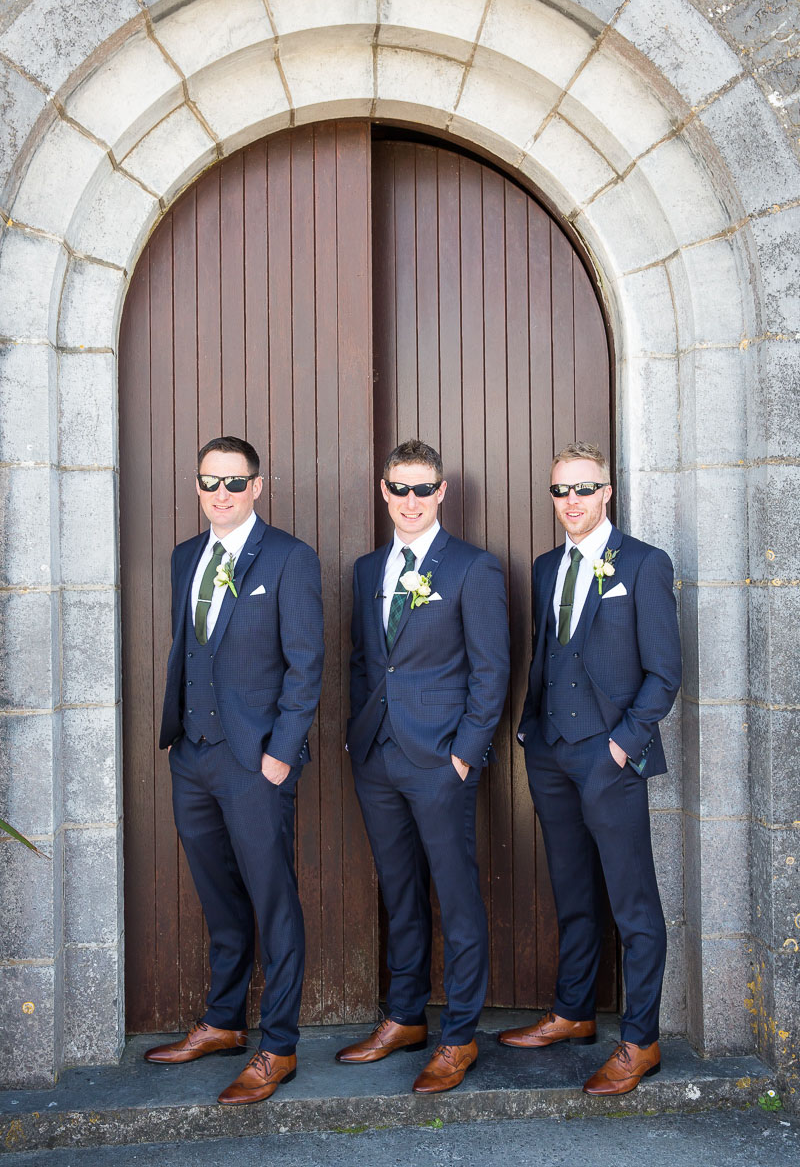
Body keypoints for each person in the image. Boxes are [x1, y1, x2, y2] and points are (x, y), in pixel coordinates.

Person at [145, 435, 324, 1106]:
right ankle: (223, 1022)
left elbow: (306, 665)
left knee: (272, 899)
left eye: (232, 482)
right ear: (198, 487)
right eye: (209, 482)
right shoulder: (185, 557)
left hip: (256, 764)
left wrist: (280, 753)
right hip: (191, 757)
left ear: (256, 486)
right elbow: (190, 651)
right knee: (218, 897)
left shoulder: (287, 558)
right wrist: (175, 737)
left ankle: (277, 1046)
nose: (219, 493)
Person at [499, 441, 681, 1096]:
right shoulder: (547, 567)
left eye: (582, 489)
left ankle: (641, 1041)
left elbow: (664, 674)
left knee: (633, 903)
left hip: (608, 756)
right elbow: (547, 656)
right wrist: (530, 731)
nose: (570, 502)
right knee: (572, 890)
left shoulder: (644, 564)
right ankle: (574, 1013)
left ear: (607, 492)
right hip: (550, 752)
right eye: (560, 491)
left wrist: (620, 745)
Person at [336, 439, 510, 1093]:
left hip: (441, 760)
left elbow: (490, 672)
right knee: (399, 890)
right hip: (378, 754)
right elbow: (364, 660)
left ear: (441, 493)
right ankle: (405, 1016)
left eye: (422, 489)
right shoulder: (364, 569)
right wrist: (359, 736)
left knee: (456, 895)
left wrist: (464, 755)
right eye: (398, 489)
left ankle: (459, 1035)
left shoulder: (472, 568)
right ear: (384, 492)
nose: (410, 501)